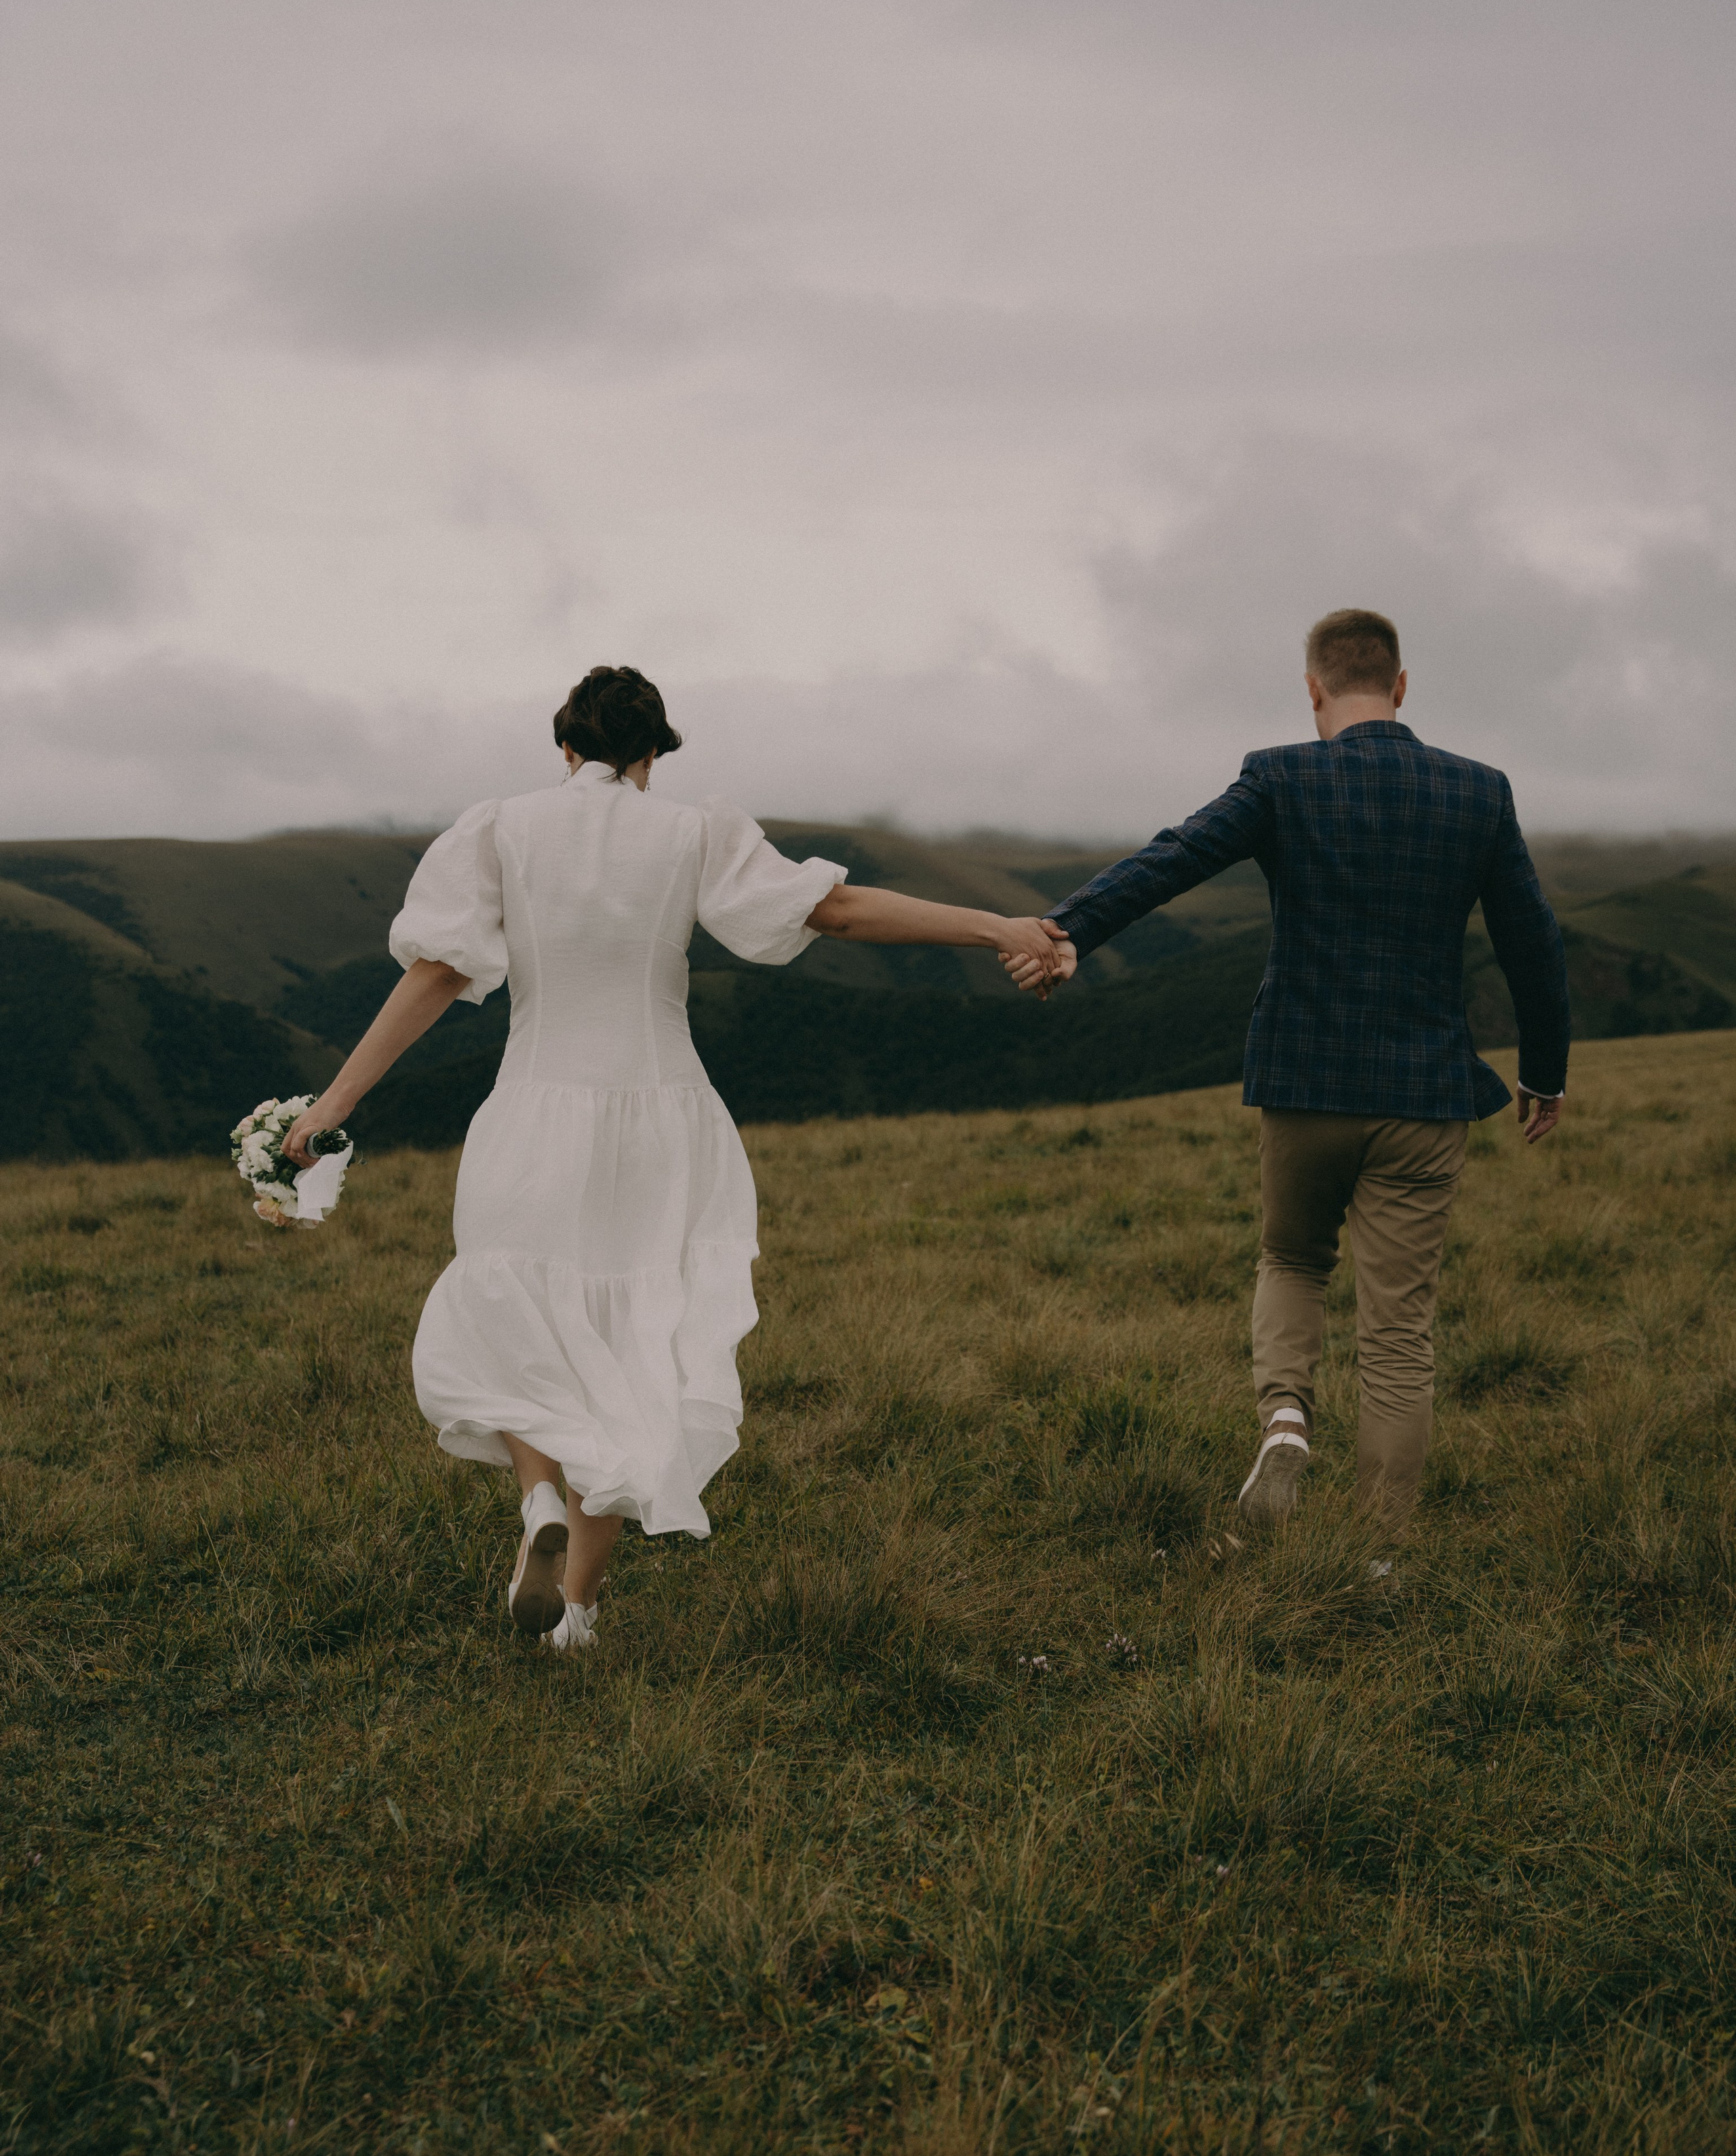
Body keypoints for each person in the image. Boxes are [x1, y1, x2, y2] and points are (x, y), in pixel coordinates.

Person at [285, 667, 1061, 1650]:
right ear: (653, 755)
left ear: (565, 748)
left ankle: (538, 1505)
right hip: (664, 1120)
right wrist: (998, 924)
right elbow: (837, 910)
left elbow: (435, 975)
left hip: (533, 1108)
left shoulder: (497, 830)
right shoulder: (694, 832)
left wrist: (333, 1104)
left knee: (511, 1307)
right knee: (633, 1345)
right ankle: (576, 1613)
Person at [1004, 608, 1571, 1536]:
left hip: (1304, 1082)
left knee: (1293, 1256)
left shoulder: (1282, 774)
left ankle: (1285, 1419)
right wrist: (1543, 1073)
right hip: (1426, 1095)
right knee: (1397, 1329)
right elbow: (1534, 941)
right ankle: (1381, 1552)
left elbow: (1174, 856)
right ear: (1400, 685)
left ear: (1314, 691)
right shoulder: (1480, 791)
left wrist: (1070, 930)